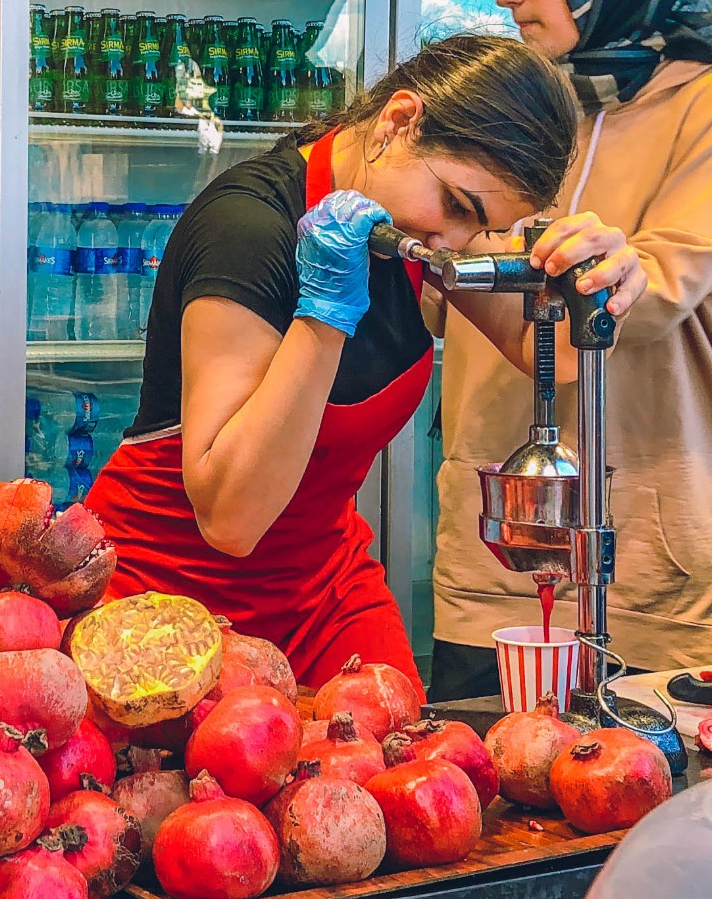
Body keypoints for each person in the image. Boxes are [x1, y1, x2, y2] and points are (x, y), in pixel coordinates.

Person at [85, 35, 647, 695]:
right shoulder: (246, 230)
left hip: (323, 587)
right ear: (398, 121)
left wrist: (594, 283)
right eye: (460, 206)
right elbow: (231, 519)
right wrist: (322, 315)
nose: (456, 244)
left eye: (483, 229)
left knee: (413, 768)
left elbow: (543, 350)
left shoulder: (414, 227)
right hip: (168, 594)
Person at [428, 0, 712, 698]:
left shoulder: (710, 103)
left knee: (649, 810)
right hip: (499, 556)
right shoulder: (524, 99)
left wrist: (609, 266)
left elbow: (659, 285)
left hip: (658, 562)